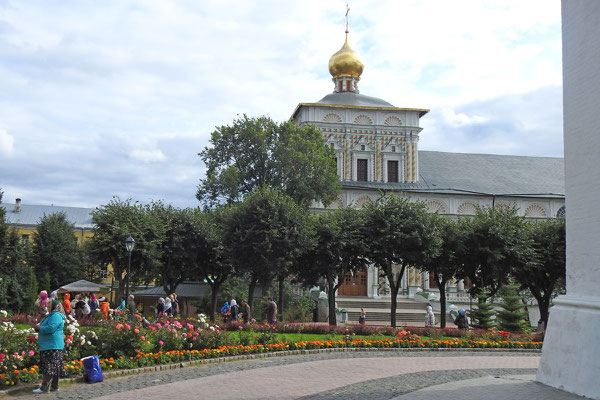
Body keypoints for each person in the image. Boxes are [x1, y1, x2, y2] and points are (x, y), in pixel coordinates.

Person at [32, 300, 66, 394]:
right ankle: (54, 386)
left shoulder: (55, 316)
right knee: (54, 366)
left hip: (52, 345)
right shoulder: (52, 315)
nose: (48, 306)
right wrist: (37, 327)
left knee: (49, 366)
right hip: (51, 344)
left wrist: (40, 328)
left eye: (50, 305)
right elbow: (47, 327)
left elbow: (51, 328)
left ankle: (44, 388)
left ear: (55, 306)